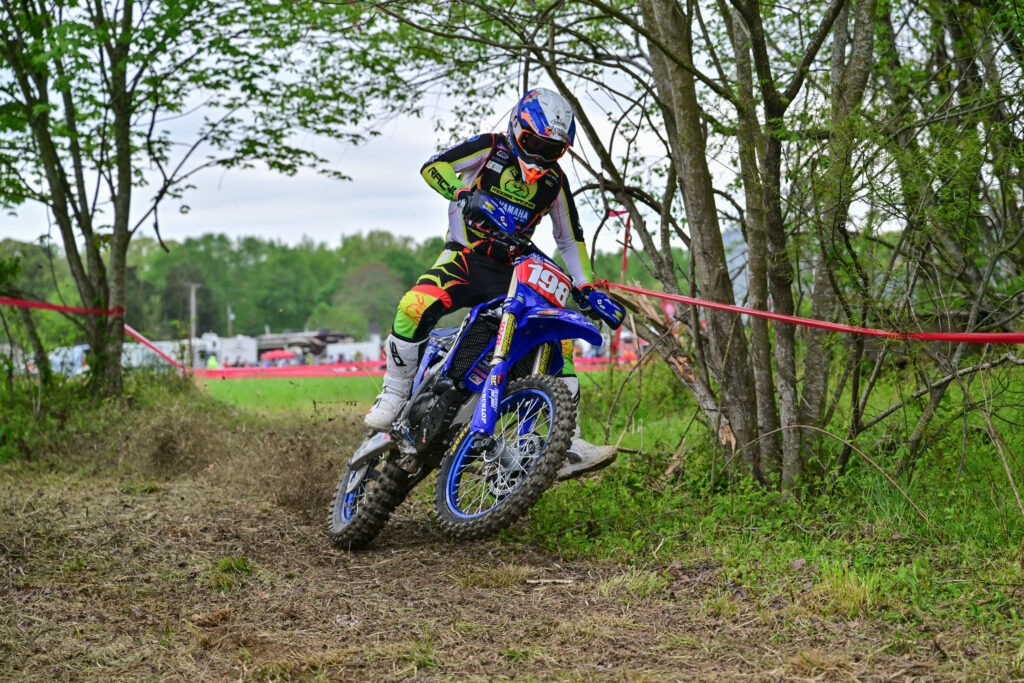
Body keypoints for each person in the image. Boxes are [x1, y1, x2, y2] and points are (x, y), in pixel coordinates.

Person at [365, 88, 617, 480]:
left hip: (514, 270)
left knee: (558, 335)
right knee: (414, 306)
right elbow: (434, 167)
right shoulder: (491, 148)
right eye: (533, 142)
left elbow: (569, 239)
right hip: (466, 257)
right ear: (517, 128)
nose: (540, 155)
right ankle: (395, 393)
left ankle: (566, 439)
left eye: (551, 149)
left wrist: (586, 287)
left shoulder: (554, 181)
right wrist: (465, 194)